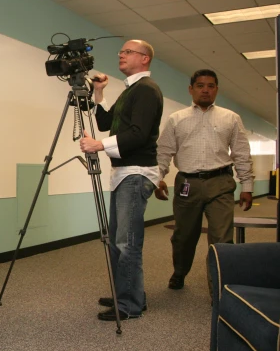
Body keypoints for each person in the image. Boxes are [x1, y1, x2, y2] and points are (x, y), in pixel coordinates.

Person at [79, 39, 163, 321]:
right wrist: (99, 92)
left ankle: (129, 305)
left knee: (126, 242)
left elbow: (138, 134)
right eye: (121, 51)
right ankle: (128, 294)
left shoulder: (147, 90)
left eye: (128, 51)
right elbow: (105, 123)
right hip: (124, 173)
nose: (121, 55)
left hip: (136, 172)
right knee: (118, 241)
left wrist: (99, 146)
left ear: (145, 59)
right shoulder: (131, 91)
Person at [155, 69, 253, 290]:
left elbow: (241, 153)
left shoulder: (230, 118)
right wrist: (157, 178)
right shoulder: (176, 119)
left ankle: (218, 286)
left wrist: (247, 185)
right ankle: (179, 272)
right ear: (191, 89)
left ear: (217, 89)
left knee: (222, 240)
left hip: (221, 183)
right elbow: (164, 152)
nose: (205, 90)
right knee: (184, 237)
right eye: (200, 85)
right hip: (187, 184)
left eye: (210, 85)